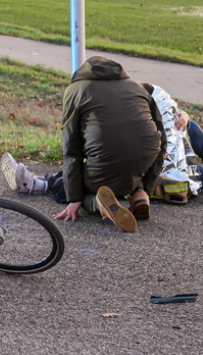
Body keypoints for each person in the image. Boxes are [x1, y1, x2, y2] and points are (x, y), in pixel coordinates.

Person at [50, 56, 165, 232]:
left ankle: (99, 204)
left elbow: (71, 148)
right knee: (123, 176)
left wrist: (74, 199)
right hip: (145, 157)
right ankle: (138, 195)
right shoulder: (137, 87)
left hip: (107, 160)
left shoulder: (76, 90)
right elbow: (162, 139)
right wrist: (147, 187)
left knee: (62, 187)